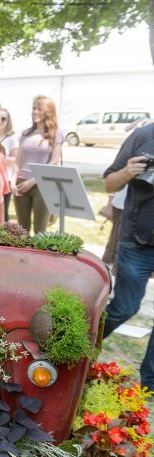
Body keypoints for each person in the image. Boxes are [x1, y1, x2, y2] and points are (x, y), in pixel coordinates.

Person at [101, 121, 154, 392]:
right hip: (138, 239)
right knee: (124, 308)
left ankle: (151, 381)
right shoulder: (144, 135)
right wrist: (127, 171)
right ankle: (81, 349)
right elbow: (109, 182)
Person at [13, 96, 63, 234]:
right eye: (34, 108)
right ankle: (23, 256)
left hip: (42, 184)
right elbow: (18, 161)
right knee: (22, 230)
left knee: (40, 230)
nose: (35, 112)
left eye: (39, 109)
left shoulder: (55, 134)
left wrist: (32, 181)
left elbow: (54, 161)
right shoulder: (25, 133)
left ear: (49, 112)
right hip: (21, 184)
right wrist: (12, 182)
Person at [0, 105, 19, 218]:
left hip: (6, 179)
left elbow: (16, 160)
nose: (1, 121)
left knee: (3, 213)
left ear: (8, 120)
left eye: (4, 118)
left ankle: (3, 235)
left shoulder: (12, 137)